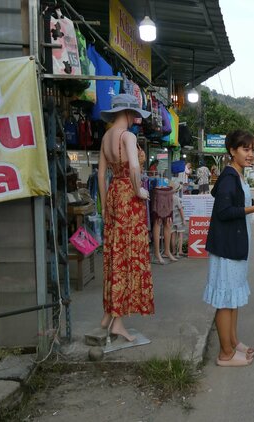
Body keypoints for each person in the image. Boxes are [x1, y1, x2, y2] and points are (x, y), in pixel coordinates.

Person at [203, 129, 254, 366]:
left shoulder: (237, 175)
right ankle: (225, 354)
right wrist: (253, 210)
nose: (250, 154)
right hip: (227, 248)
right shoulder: (229, 177)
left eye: (252, 149)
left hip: (235, 245)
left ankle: (232, 342)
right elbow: (223, 211)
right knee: (225, 301)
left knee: (232, 299)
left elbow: (232, 201)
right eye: (245, 149)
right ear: (232, 151)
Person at [98, 94, 154, 341]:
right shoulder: (128, 136)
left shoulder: (106, 137)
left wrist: (104, 206)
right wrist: (139, 189)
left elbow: (101, 175)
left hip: (113, 196)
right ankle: (118, 320)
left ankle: (110, 313)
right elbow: (133, 167)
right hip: (129, 199)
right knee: (128, 256)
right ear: (129, 113)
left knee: (114, 254)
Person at [170, 180, 186, 258]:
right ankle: (179, 251)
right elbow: (181, 209)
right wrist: (183, 219)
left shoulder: (168, 197)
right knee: (180, 235)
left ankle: (173, 251)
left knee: (173, 235)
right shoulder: (177, 198)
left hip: (171, 219)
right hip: (179, 219)